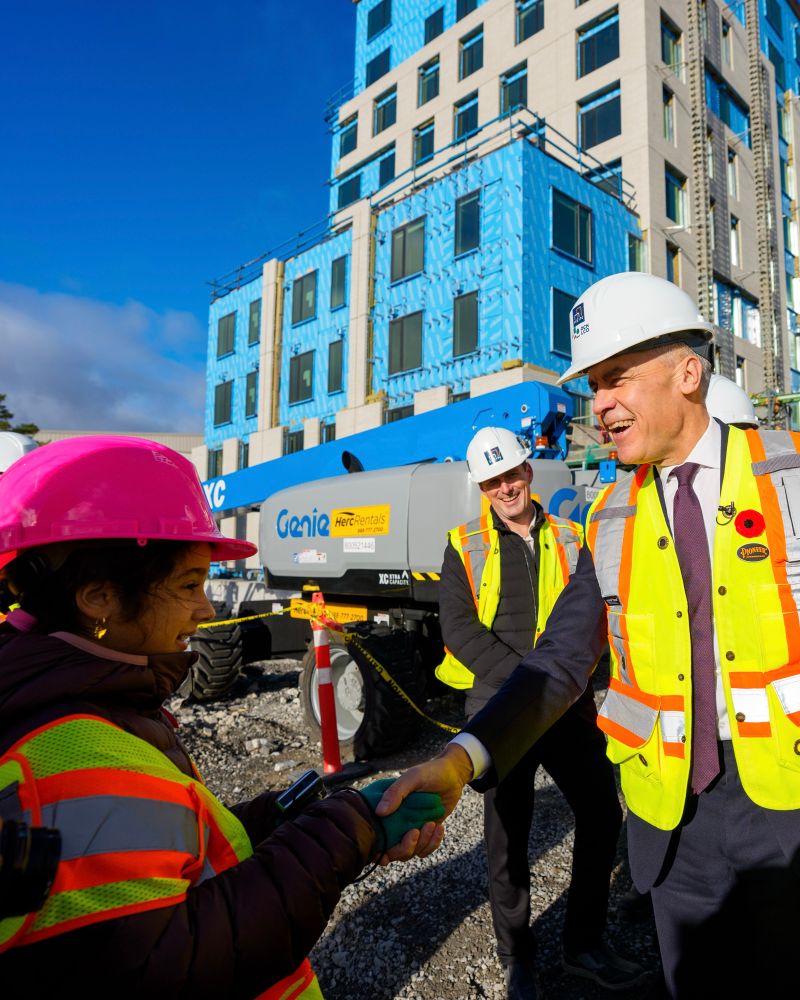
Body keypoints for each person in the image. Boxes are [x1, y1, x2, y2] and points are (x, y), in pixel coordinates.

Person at [377, 272, 800, 997]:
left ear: (689, 373)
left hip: (785, 805)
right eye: (593, 387)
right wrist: (459, 759)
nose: (599, 405)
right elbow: (562, 654)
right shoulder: (609, 518)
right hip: (673, 823)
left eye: (616, 379)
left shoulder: (790, 472)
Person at [0, 436, 443, 999]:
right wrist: (351, 828)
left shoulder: (79, 711)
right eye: (189, 584)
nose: (208, 607)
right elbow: (179, 962)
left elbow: (168, 852)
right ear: (100, 597)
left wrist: (281, 818)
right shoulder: (69, 755)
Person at [436, 426, 642, 996]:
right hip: (502, 709)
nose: (506, 487)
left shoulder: (575, 537)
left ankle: (583, 944)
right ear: (482, 485)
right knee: (508, 838)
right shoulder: (463, 543)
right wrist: (528, 686)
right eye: (493, 480)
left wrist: (556, 689)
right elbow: (458, 629)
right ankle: (516, 956)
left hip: (566, 708)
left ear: (529, 470)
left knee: (602, 815)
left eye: (512, 474)